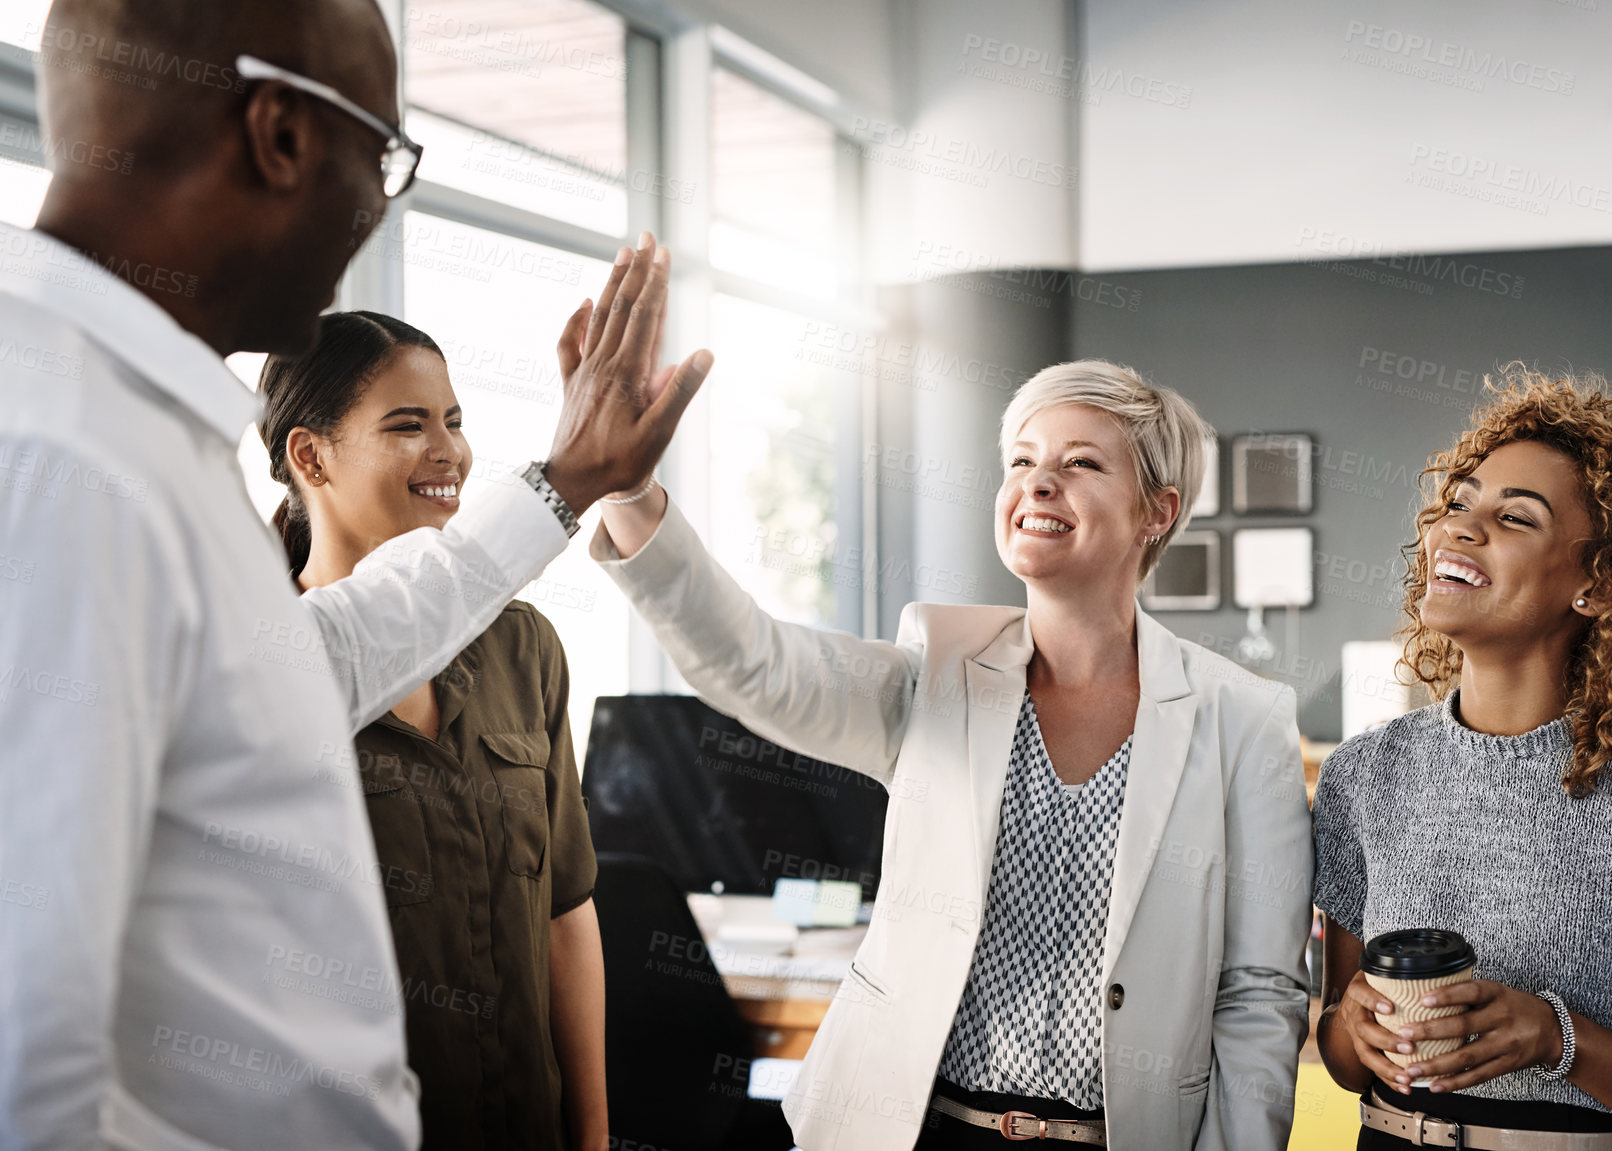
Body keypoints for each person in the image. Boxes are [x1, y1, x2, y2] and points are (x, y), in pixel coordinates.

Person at [0, 0, 708, 1146]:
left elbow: (315, 659)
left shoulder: (128, 426)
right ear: (279, 133)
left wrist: (565, 485)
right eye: (380, 152)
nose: (381, 199)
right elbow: (26, 1065)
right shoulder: (59, 453)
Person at [589, 358, 1314, 1150]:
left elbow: (1259, 996)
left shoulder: (1244, 718)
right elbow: (756, 663)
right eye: (1022, 460)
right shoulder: (936, 668)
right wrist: (629, 494)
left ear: (1156, 512)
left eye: (1080, 463)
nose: (1038, 482)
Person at [1313, 367, 1612, 1148]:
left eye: (1514, 516)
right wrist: (1349, 1025)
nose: (1460, 528)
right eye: (1457, 501)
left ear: (1599, 583)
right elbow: (1341, 1057)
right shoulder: (1360, 776)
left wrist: (1558, 1038)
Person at [257, 311, 608, 1150]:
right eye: (407, 425)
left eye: (453, 420)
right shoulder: (255, 666)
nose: (448, 451)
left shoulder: (521, 645)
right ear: (311, 456)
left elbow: (566, 908)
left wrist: (591, 1136)